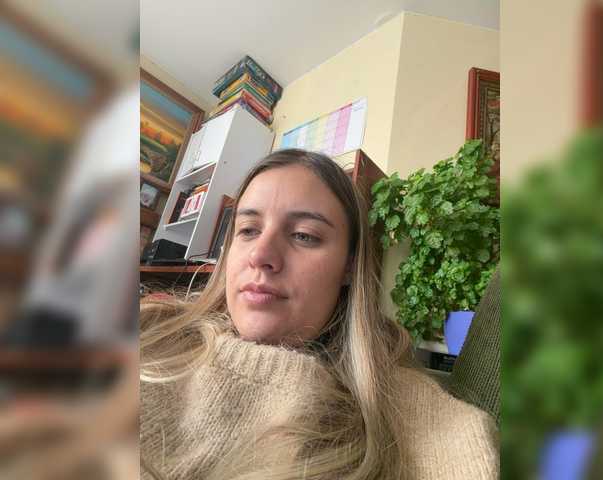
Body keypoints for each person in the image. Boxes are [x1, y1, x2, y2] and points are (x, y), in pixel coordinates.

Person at [140, 149, 498, 480]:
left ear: (349, 267)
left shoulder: (414, 416)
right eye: (248, 230)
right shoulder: (149, 329)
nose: (260, 255)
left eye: (304, 235)